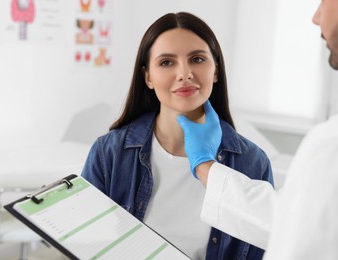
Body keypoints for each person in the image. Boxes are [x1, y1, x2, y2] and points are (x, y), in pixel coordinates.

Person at [177, 0, 338, 259]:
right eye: (166, 63)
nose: (316, 17)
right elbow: (295, 217)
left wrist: (204, 166)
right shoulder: (112, 152)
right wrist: (206, 168)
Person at [81, 12, 274, 259]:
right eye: (166, 62)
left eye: (197, 59)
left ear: (215, 70)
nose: (184, 73)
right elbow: (84, 244)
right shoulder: (108, 153)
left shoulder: (253, 163)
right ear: (148, 77)